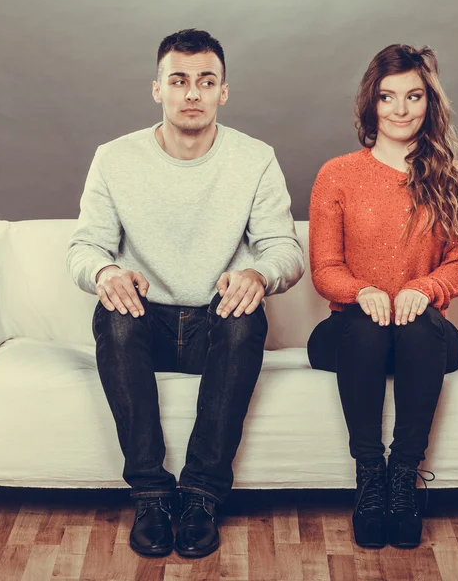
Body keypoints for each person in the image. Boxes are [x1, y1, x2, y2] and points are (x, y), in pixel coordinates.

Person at [66, 28, 304, 559]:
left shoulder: (256, 158)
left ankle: (200, 494)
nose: (192, 93)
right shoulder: (114, 157)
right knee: (113, 311)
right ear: (158, 90)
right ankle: (151, 493)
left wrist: (258, 275)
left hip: (215, 324)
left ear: (223, 91)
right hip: (145, 323)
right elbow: (83, 247)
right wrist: (106, 272)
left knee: (247, 314)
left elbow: (285, 250)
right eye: (179, 80)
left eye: (205, 81)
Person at [307, 44, 458, 550]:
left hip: (423, 336)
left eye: (414, 96)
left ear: (430, 102)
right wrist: (361, 291)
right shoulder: (336, 174)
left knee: (416, 324)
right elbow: (325, 268)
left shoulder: (457, 178)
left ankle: (404, 477)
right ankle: (369, 475)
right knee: (365, 324)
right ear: (371, 103)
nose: (401, 109)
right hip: (348, 332)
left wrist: (421, 289)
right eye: (388, 97)